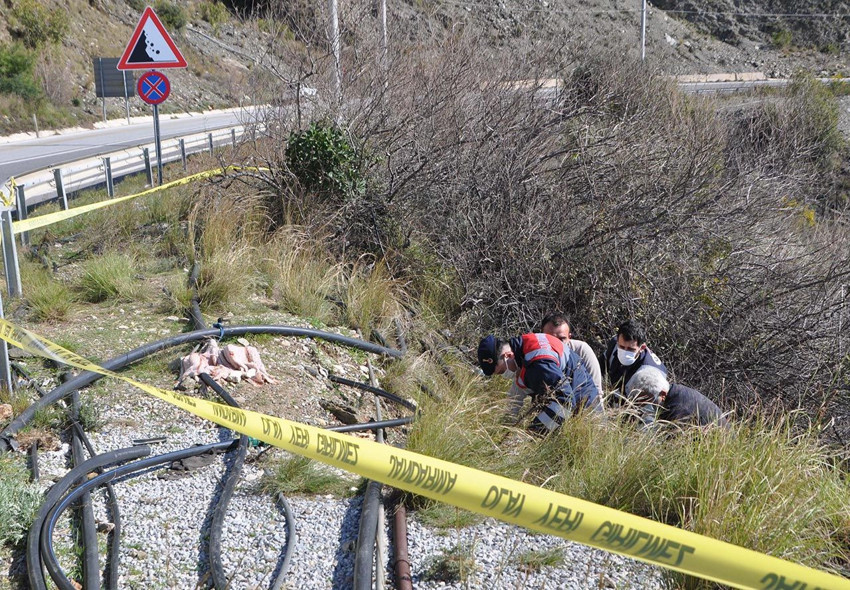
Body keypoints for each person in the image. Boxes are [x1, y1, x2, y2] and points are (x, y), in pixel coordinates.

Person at [477, 332, 601, 433]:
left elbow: (565, 402)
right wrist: (501, 430)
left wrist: (533, 433)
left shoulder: (538, 364)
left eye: (501, 371)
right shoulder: (523, 347)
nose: (503, 375)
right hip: (574, 403)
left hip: (586, 409)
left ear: (508, 355)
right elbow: (514, 401)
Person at [624, 366, 728, 429]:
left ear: (663, 394)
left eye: (648, 401)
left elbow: (674, 449)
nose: (643, 406)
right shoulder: (676, 393)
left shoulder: (677, 410)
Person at [540, 313, 603, 400]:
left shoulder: (581, 350)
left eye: (562, 339)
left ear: (569, 337)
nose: (556, 344)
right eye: (550, 339)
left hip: (580, 405)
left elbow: (596, 390)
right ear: (541, 337)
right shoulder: (533, 353)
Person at [602, 319, 666, 400]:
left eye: (630, 349)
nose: (625, 352)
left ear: (642, 348)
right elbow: (599, 366)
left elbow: (646, 405)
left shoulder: (650, 374)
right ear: (618, 341)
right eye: (621, 347)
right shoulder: (614, 344)